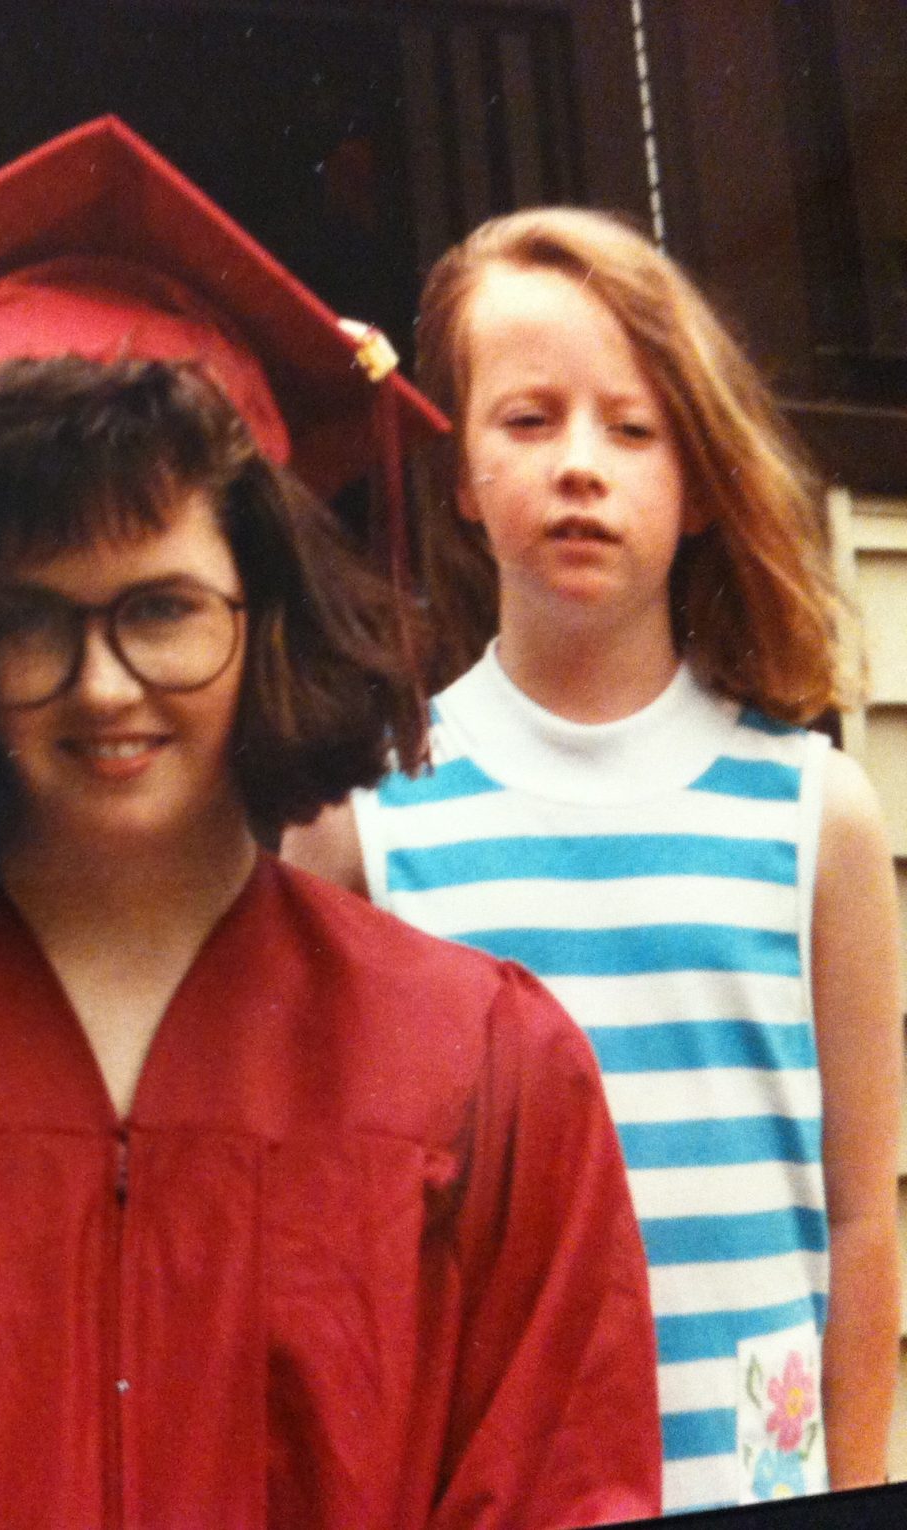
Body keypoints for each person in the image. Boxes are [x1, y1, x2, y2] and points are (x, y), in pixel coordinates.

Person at [0, 119, 661, 1529]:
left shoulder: (481, 1070)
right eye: (27, 619)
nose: (100, 685)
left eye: (162, 609)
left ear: (270, 609)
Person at [283, 206, 902, 1512]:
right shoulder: (366, 819)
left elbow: (862, 1218)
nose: (580, 465)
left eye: (633, 428)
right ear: (460, 475)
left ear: (700, 484)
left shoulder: (818, 812)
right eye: (528, 419)